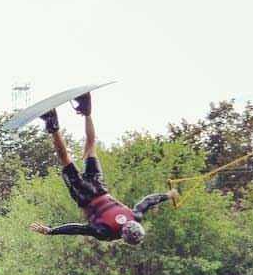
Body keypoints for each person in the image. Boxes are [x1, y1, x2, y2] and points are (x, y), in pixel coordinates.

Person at [29, 92, 175, 244]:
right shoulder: (104, 232)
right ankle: (52, 123)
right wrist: (52, 231)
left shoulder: (135, 216)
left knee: (91, 147)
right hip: (85, 196)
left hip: (101, 188)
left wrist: (167, 195)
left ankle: (86, 109)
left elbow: (148, 201)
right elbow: (79, 229)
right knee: (65, 159)